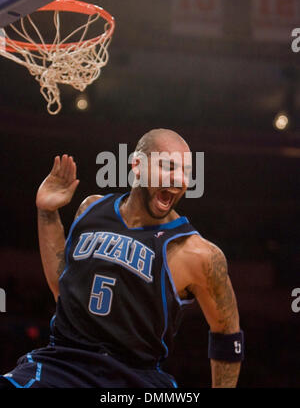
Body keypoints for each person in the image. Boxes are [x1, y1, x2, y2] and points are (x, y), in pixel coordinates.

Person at [0, 129, 244, 388]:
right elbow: (62, 289)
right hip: (62, 364)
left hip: (135, 377)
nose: (179, 179)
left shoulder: (199, 254)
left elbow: (228, 337)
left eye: (186, 172)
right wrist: (48, 213)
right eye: (169, 167)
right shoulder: (91, 209)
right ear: (137, 165)